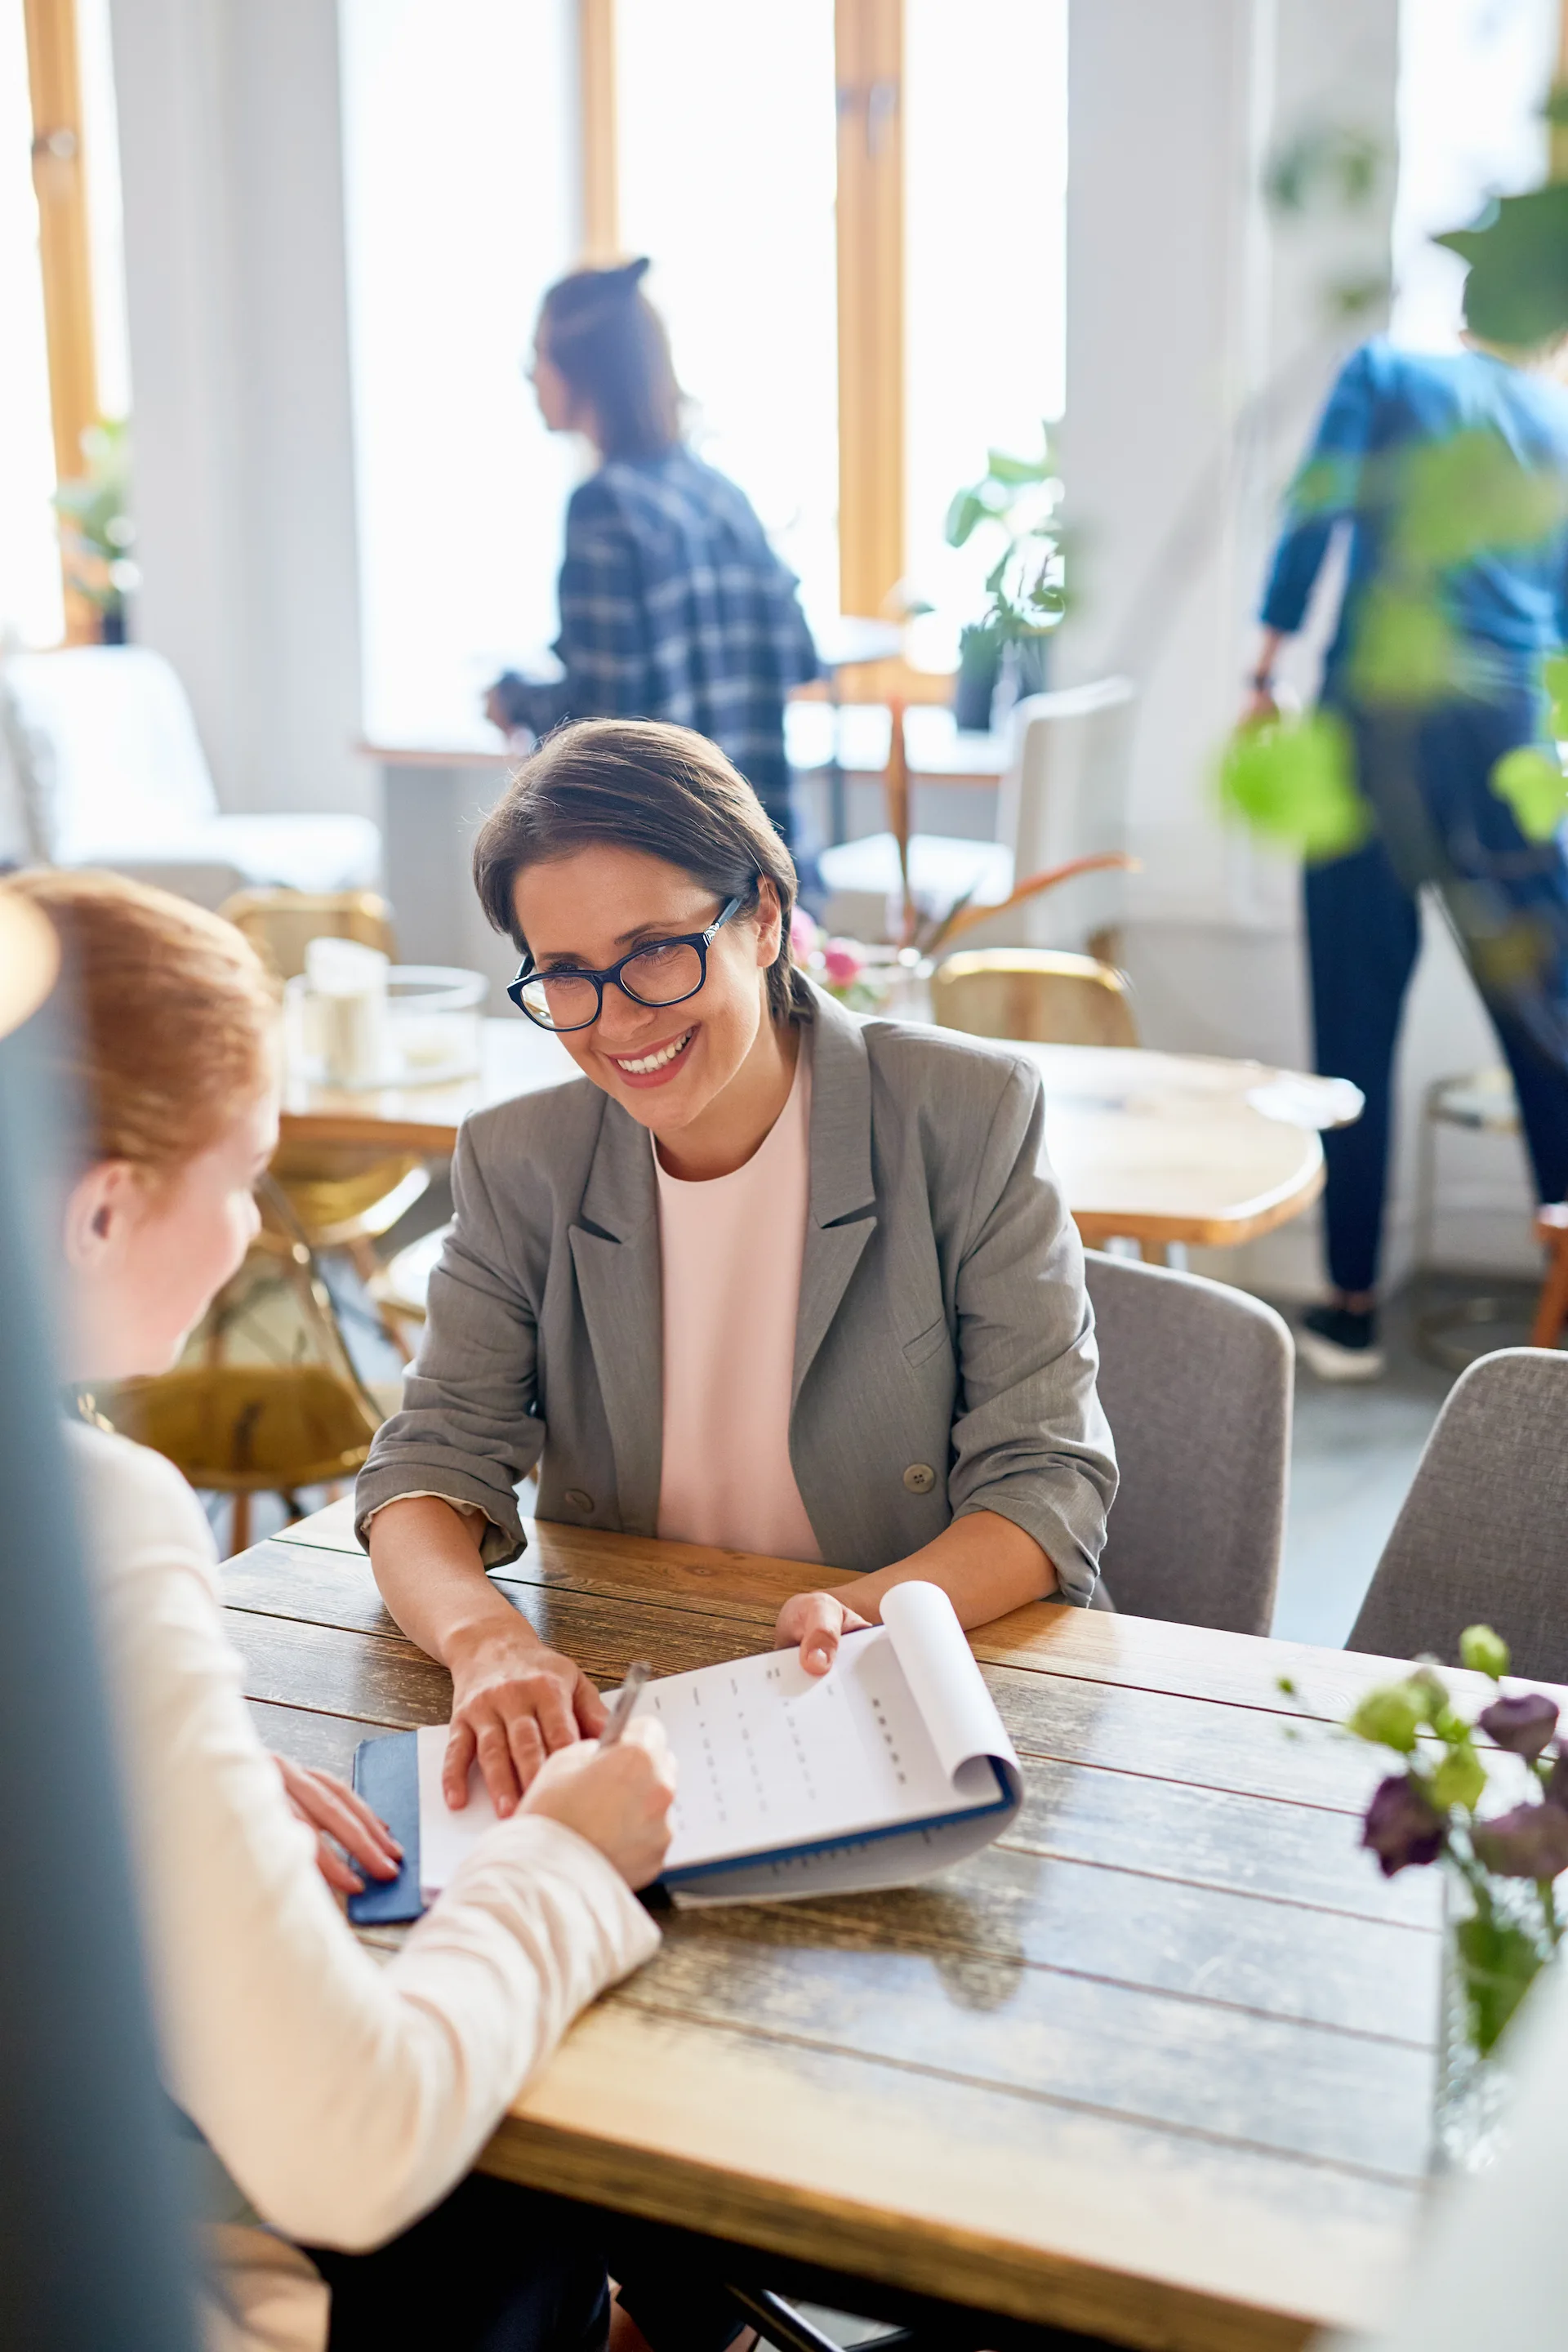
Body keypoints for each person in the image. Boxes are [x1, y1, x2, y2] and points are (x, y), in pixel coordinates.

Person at [17, 866, 684, 2352]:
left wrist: (117, 1792)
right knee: (500, 2175)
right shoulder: (86, 1520)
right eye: (242, 1175)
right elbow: (350, 2142)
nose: (257, 1231)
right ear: (105, 1207)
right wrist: (565, 1862)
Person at [357, 718, 1116, 1820]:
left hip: (915, 1697)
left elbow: (1046, 1483)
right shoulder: (524, 1161)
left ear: (765, 917)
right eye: (566, 976)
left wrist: (864, 1612)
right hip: (637, 1695)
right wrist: (487, 1645)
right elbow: (428, 1467)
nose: (618, 1022)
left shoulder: (967, 1116)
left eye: (657, 951)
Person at [1247, 324, 1568, 1382]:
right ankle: (1559, 1298)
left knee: (1353, 1014)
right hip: (1506, 727)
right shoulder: (1553, 422)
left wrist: (1269, 655)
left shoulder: (1385, 370)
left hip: (1377, 716)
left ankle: (1347, 1312)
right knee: (1548, 1021)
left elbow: (1320, 502)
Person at [484, 259, 817, 848]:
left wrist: (513, 699)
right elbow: (799, 657)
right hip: (761, 863)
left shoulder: (604, 507)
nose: (529, 375)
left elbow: (597, 727)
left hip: (669, 868)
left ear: (581, 369)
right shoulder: (722, 497)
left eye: (537, 354)